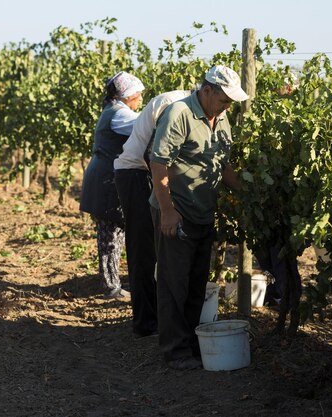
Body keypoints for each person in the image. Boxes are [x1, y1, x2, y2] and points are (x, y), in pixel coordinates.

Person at [149, 65, 248, 370]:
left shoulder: (221, 117)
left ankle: (192, 344)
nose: (227, 105)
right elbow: (158, 163)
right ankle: (175, 351)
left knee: (195, 283)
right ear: (207, 90)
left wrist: (250, 193)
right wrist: (168, 211)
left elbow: (223, 164)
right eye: (223, 99)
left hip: (203, 212)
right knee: (173, 282)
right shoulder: (179, 114)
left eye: (231, 101)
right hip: (176, 210)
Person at [114, 89, 192, 337]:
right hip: (135, 173)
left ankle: (155, 318)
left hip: (148, 173)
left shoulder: (190, 105)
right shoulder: (175, 106)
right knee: (143, 249)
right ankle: (145, 323)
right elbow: (154, 155)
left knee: (155, 249)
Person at [80, 71, 145, 298]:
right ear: (127, 96)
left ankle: (113, 283)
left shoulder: (114, 110)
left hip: (105, 178)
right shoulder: (120, 115)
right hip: (106, 181)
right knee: (110, 235)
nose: (141, 100)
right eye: (138, 95)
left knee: (114, 233)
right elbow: (146, 126)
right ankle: (111, 288)